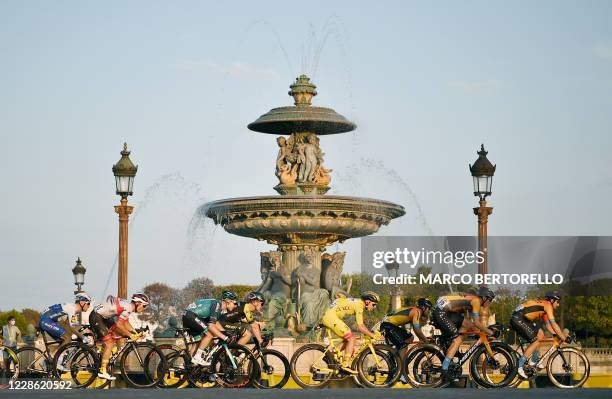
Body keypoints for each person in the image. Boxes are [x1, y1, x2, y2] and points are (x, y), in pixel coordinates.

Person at [432, 287, 495, 380]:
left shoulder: (473, 299)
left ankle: (454, 353)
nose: (490, 302)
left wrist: (481, 331)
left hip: (443, 310)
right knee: (457, 340)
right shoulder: (477, 301)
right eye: (490, 299)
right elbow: (477, 322)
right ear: (484, 297)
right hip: (442, 312)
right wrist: (490, 332)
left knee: (469, 326)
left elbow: (472, 324)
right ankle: (445, 368)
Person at [89, 293, 149, 380]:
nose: (144, 309)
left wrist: (135, 333)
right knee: (109, 343)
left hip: (105, 317)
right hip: (96, 316)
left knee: (117, 335)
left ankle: (103, 354)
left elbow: (126, 323)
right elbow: (119, 324)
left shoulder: (129, 307)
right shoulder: (128, 307)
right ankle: (102, 370)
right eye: (144, 306)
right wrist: (130, 335)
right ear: (138, 303)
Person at [510, 291, 570, 378]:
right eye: (557, 302)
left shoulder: (544, 307)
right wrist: (563, 337)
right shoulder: (548, 306)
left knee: (540, 334)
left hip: (522, 318)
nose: (558, 305)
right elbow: (554, 324)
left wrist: (555, 335)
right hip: (518, 318)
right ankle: (519, 365)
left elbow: (548, 326)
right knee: (535, 340)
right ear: (552, 300)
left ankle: (533, 360)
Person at [321, 291, 382, 374]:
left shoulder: (357, 302)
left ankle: (330, 355)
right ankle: (345, 364)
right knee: (351, 338)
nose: (374, 307)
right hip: (331, 318)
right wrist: (372, 335)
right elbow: (360, 326)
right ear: (367, 302)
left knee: (348, 339)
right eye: (374, 304)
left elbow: (340, 297)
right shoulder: (359, 306)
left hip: (330, 316)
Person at [182, 291, 239, 366]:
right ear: (228, 301)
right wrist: (225, 338)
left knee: (198, 343)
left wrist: (225, 332)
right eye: (234, 303)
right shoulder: (217, 305)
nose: (235, 306)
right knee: (210, 334)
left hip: (188, 316)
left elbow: (216, 323)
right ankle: (198, 357)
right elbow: (211, 326)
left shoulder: (218, 306)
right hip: (191, 316)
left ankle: (187, 365)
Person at [39, 293, 92, 372]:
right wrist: (83, 337)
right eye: (88, 303)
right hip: (46, 320)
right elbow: (72, 327)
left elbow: (72, 326)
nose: (89, 306)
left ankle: (47, 362)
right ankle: (56, 360)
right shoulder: (73, 309)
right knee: (67, 338)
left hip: (49, 320)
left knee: (65, 341)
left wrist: (87, 328)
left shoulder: (76, 310)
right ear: (82, 302)